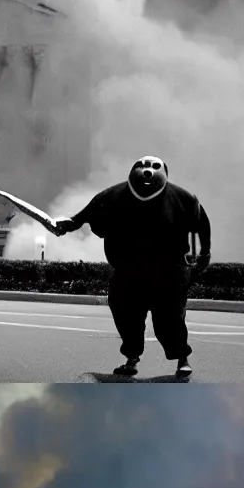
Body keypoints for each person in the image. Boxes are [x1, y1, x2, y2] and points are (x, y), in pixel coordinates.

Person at [52, 155, 209, 379]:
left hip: (168, 272)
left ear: (165, 171)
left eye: (155, 167)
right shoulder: (113, 195)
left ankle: (182, 358)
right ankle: (131, 359)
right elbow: (84, 216)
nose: (147, 171)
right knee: (124, 313)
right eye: (141, 165)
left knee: (170, 318)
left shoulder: (182, 198)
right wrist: (68, 224)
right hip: (128, 270)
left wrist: (205, 253)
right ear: (132, 170)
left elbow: (203, 223)